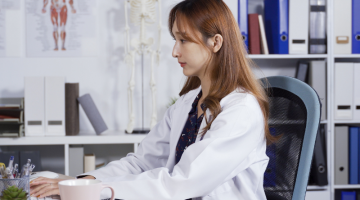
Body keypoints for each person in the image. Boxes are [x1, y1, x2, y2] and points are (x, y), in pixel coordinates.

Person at [30, 0, 273, 199]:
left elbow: (181, 183)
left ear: (216, 42)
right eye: (175, 40)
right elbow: (140, 163)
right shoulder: (187, 103)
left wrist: (92, 191)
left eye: (184, 40)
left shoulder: (241, 111)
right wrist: (82, 182)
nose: (174, 51)